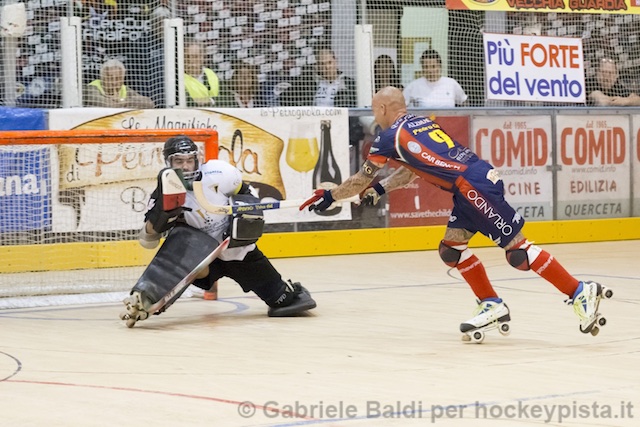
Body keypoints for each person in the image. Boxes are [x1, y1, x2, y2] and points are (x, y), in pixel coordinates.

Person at [300, 86, 612, 341]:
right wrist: (380, 190)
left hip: (473, 187)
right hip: (470, 185)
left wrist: (330, 195)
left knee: (518, 252)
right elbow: (411, 171)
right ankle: (492, 304)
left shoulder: (388, 136)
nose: (374, 116)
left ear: (382, 108)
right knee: (451, 250)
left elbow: (360, 179)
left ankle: (579, 291)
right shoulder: (421, 123)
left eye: (374, 110)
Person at [121, 136, 316, 325]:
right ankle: (144, 300)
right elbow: (148, 239)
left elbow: (247, 193)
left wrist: (244, 216)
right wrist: (161, 214)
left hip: (236, 249)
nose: (186, 166)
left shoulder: (219, 172)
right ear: (168, 162)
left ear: (197, 159)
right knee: (178, 253)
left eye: (190, 160)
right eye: (179, 161)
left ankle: (282, 291)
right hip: (200, 257)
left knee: (284, 301)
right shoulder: (163, 191)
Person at [403, 49, 467, 108]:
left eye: (433, 66)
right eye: (426, 67)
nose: (430, 70)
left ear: (439, 66)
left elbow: (464, 102)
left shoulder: (451, 83)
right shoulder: (414, 86)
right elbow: (401, 105)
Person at [84, 59, 155, 109]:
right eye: (110, 78)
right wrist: (126, 102)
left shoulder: (124, 89)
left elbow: (149, 103)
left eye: (118, 78)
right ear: (102, 77)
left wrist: (122, 101)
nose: (114, 82)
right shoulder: (91, 88)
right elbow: (109, 106)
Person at [184, 41, 220, 107]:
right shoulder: (179, 78)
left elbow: (225, 97)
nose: (191, 60)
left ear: (202, 57)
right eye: (188, 56)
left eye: (195, 56)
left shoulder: (211, 74)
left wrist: (210, 101)